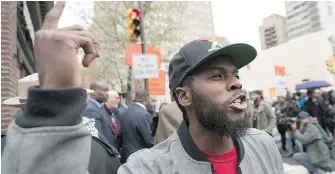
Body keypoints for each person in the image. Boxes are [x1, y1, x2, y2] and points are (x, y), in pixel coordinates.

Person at [118, 39, 284, 173]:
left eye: (236, 74)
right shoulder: (146, 168)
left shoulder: (264, 145)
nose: (237, 83)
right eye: (217, 75)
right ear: (184, 96)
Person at [119, 90, 154, 163]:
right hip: (140, 158)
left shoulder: (125, 112)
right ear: (147, 98)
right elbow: (149, 140)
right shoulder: (144, 114)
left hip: (126, 157)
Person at [83, 80, 117, 146]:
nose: (107, 93)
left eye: (108, 91)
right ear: (94, 92)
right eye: (105, 90)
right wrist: (112, 151)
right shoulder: (91, 109)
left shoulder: (100, 108)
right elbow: (98, 135)